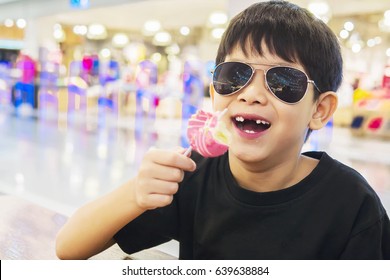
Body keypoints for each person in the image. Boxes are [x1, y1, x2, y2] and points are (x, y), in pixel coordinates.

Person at [56, 0, 390, 259]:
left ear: (319, 109)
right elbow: (69, 246)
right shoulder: (192, 175)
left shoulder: (351, 205)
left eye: (283, 81)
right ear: (215, 92)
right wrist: (136, 193)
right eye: (235, 74)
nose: (252, 94)